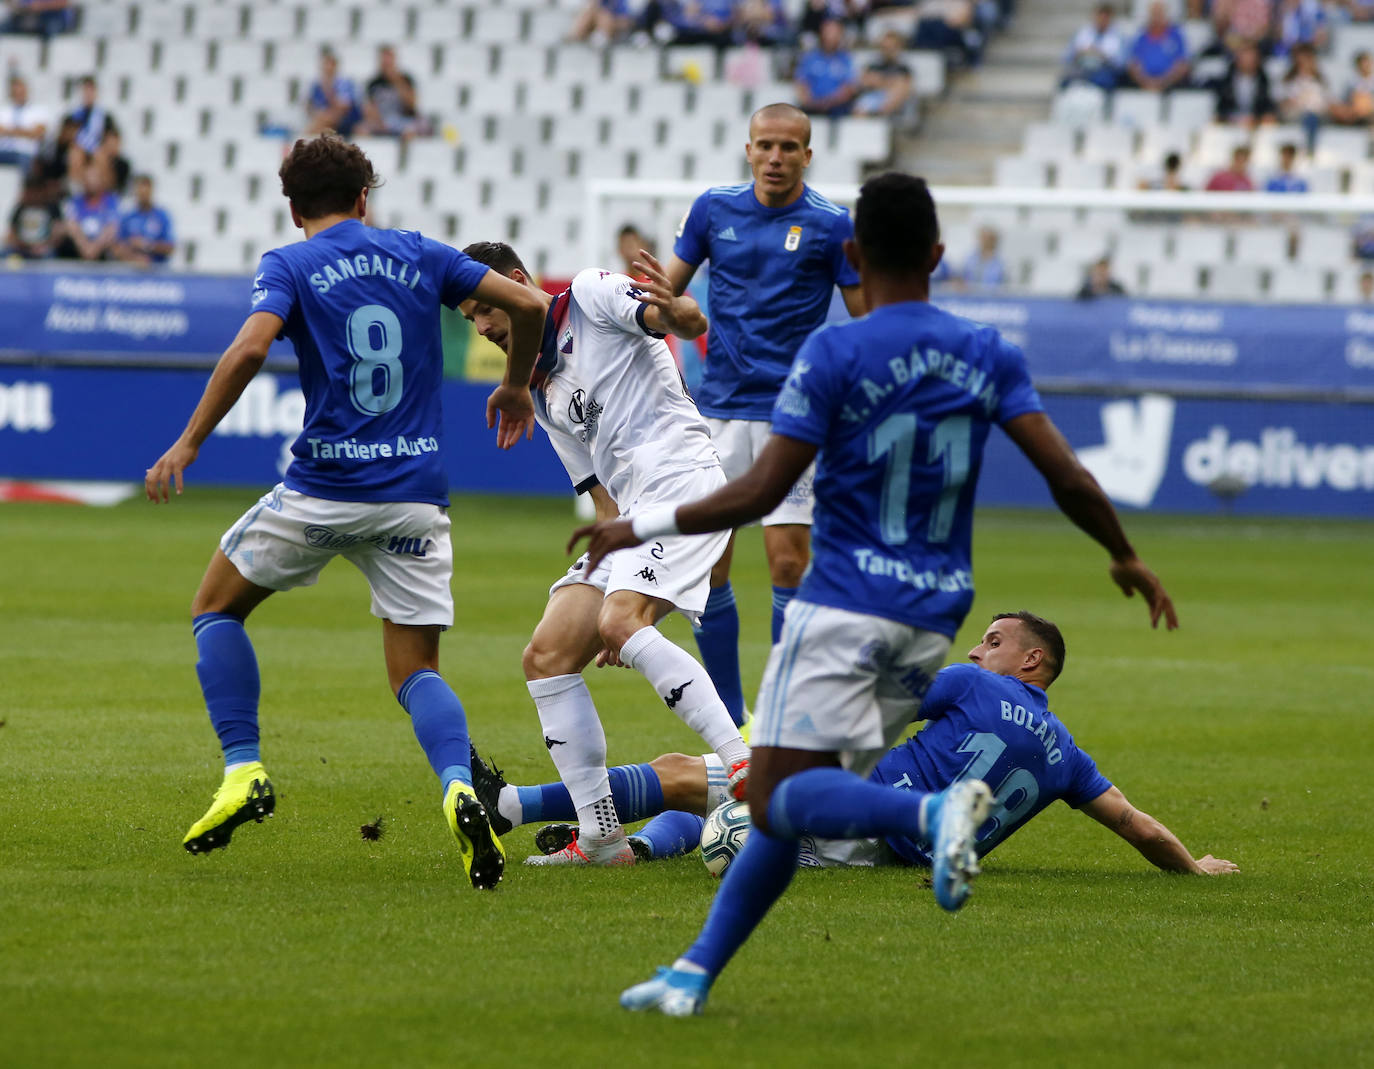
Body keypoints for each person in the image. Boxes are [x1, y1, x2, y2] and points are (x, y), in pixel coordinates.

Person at [571, 171, 1179, 1016]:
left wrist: (638, 526)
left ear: (852, 255)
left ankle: (934, 818)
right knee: (784, 798)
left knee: (778, 793)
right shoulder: (987, 350)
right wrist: (1123, 554)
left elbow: (758, 491)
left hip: (846, 600)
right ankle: (692, 974)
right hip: (935, 617)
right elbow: (1065, 472)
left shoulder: (834, 352)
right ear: (937, 254)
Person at [142, 133, 548, 890]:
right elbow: (527, 302)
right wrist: (517, 383)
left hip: (322, 489)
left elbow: (248, 350)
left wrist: (188, 443)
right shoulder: (420, 251)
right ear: (367, 196)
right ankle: (459, 785)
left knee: (215, 609)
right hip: (415, 497)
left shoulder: (288, 263)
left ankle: (242, 770)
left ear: (292, 205)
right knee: (416, 670)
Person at [480, 612, 1237, 880]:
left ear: (1033, 662)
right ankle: (532, 813)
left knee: (696, 778)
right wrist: (1195, 865)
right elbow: (1136, 824)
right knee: (700, 780)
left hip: (863, 805)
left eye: (996, 641)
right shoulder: (1067, 753)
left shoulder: (977, 687)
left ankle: (515, 805)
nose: (979, 649)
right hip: (892, 842)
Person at [457, 240, 751, 866]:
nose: (483, 327)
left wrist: (684, 315)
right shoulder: (540, 392)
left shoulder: (589, 295)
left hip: (683, 483)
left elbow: (673, 320)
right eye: (469, 319)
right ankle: (601, 836)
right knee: (547, 654)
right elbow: (603, 501)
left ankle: (743, 764)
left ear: (517, 283)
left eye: (487, 307)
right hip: (632, 516)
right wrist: (611, 578)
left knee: (620, 621)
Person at [663, 102, 865, 728]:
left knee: (786, 562)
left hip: (794, 419)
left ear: (808, 155)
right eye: (765, 146)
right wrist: (660, 302)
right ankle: (731, 716)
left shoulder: (833, 226)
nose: (775, 157)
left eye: (788, 147)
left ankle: (781, 709)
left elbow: (868, 318)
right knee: (710, 566)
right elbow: (669, 296)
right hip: (718, 411)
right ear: (747, 150)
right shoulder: (711, 209)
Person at [359, 45, 430, 139]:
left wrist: (396, 80)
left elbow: (412, 104)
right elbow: (369, 109)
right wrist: (379, 122)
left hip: (403, 120)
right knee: (361, 131)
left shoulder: (406, 79)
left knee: (412, 131)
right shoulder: (373, 83)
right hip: (382, 121)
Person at [794, 18, 860, 117]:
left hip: (838, 109)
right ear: (821, 34)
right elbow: (801, 84)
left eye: (835, 32)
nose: (831, 36)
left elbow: (849, 87)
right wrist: (811, 102)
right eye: (828, 32)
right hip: (812, 107)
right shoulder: (809, 58)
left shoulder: (847, 59)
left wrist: (829, 102)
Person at [55, 161, 120, 261]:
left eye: (94, 178)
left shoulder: (111, 201)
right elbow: (72, 225)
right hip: (78, 249)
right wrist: (85, 248)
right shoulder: (74, 202)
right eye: (87, 178)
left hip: (102, 251)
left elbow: (111, 229)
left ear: (101, 179)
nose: (91, 181)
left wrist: (94, 249)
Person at [1126, 1, 1191, 93]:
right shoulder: (1142, 37)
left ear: (1165, 15)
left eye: (1159, 13)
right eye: (1154, 13)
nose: (1156, 17)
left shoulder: (1176, 36)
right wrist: (1146, 82)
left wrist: (1163, 82)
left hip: (1171, 86)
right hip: (1143, 85)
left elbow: (1183, 65)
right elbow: (1133, 64)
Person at [1061, 2, 1126, 92]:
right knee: (1065, 82)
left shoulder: (1118, 37)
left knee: (1106, 81)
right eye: (1100, 17)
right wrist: (1080, 53)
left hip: (1104, 72)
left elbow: (1121, 65)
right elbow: (1066, 57)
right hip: (1082, 69)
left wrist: (1103, 56)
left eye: (1105, 18)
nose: (1102, 21)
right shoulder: (1082, 33)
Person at [114, 174, 176, 264]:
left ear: (151, 191)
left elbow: (170, 248)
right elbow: (117, 248)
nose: (143, 195)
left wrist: (146, 245)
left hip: (158, 271)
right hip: (131, 270)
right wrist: (134, 258)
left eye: (146, 192)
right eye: (140, 192)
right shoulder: (128, 217)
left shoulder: (162, 216)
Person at [852, 30, 914, 119]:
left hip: (894, 104)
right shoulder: (873, 66)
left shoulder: (904, 69)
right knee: (860, 106)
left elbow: (906, 89)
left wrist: (879, 81)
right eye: (885, 47)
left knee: (898, 92)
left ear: (898, 48)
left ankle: (879, 115)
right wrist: (892, 83)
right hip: (873, 99)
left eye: (891, 47)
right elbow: (864, 82)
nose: (888, 50)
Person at [1214, 41, 1277, 127]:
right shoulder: (1227, 81)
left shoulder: (1264, 81)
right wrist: (1234, 119)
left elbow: (1268, 106)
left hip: (1257, 123)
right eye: (1245, 57)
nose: (1248, 60)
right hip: (1231, 122)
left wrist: (1256, 119)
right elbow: (1221, 108)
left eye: (1252, 57)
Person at [305, 49, 363, 138]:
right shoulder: (317, 85)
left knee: (320, 123)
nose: (327, 68)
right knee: (320, 124)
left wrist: (328, 90)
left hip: (345, 119)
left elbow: (344, 107)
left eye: (330, 64)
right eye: (325, 65)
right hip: (324, 120)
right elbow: (311, 106)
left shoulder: (344, 83)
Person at [5, 174, 63, 259]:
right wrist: (22, 245)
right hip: (21, 249)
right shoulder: (20, 208)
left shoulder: (52, 208)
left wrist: (44, 245)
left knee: (51, 254)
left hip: (44, 249)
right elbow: (11, 233)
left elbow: (57, 233)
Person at [0, 74, 50, 172]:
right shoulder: (3, 111)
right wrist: (24, 131)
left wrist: (9, 131)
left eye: (21, 90)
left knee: (22, 162)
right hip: (3, 151)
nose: (18, 93)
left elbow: (37, 133)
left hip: (25, 153)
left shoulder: (39, 111)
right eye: (16, 90)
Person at [961, 224, 1006, 289]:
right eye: (983, 238)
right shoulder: (970, 258)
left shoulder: (1001, 263)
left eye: (988, 238)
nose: (985, 241)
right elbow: (963, 277)